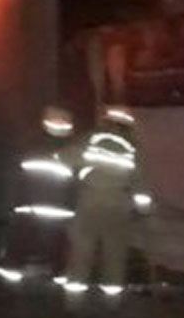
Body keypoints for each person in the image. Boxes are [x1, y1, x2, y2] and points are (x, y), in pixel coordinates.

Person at [60, 105, 154, 297]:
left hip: (89, 200)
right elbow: (141, 183)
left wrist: (76, 176)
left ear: (106, 121)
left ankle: (73, 298)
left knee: (82, 249)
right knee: (114, 252)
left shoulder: (92, 138)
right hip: (118, 205)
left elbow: (65, 157)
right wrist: (144, 209)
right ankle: (112, 298)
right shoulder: (133, 147)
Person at [0, 106, 78, 283]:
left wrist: (14, 202)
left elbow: (17, 177)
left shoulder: (30, 145)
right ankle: (59, 275)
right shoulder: (72, 151)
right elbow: (76, 184)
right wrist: (73, 207)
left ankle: (11, 275)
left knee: (21, 241)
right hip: (58, 209)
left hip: (30, 206)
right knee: (57, 243)